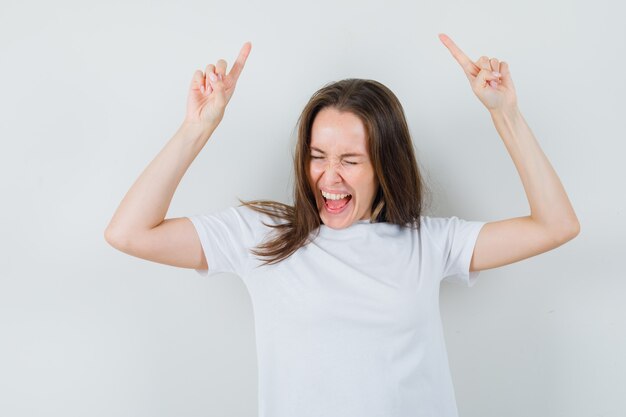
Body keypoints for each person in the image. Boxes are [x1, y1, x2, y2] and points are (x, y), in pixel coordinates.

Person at [104, 33, 579, 417]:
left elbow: (556, 225)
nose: (328, 177)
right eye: (317, 156)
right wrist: (196, 129)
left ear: (384, 165)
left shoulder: (429, 243)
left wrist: (506, 115)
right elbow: (129, 233)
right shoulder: (262, 234)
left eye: (350, 160)